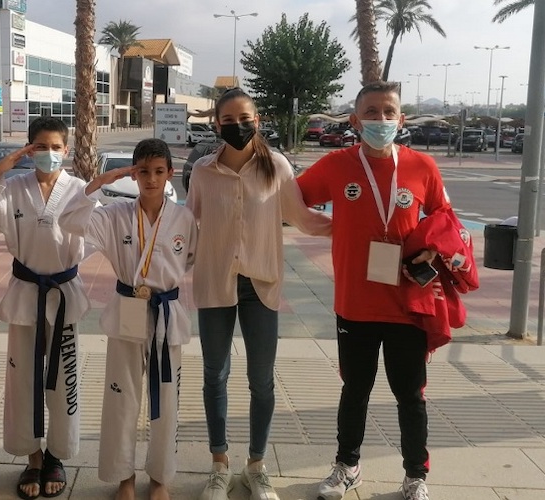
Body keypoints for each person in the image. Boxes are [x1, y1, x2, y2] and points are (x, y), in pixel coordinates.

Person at [296, 81, 452, 500]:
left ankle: (415, 475)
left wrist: (433, 250)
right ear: (354, 120)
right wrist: (328, 226)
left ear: (401, 120)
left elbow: (445, 220)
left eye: (388, 112)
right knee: (355, 390)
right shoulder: (335, 165)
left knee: (410, 395)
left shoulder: (422, 167)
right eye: (370, 112)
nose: (379, 120)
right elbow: (292, 199)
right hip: (355, 304)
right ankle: (347, 466)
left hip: (407, 304)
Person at [184, 88, 332, 500]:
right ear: (216, 124)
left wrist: (350, 226)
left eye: (244, 118)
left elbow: (302, 218)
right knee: (215, 374)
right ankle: (219, 465)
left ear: (258, 119)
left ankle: (256, 465)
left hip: (261, 284)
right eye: (227, 120)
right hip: (215, 281)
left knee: (261, 380)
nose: (237, 126)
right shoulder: (202, 171)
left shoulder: (277, 168)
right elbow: (186, 226)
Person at [0, 117, 89, 499]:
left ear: (67, 150)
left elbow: (100, 233)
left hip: (64, 293)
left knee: (65, 380)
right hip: (26, 291)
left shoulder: (79, 191)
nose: (48, 154)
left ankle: (57, 456)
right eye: (39, 147)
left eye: (56, 147)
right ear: (29, 149)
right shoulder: (10, 190)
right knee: (22, 380)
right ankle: (32, 456)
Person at [60, 138, 197, 500]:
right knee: (122, 397)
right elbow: (69, 220)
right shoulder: (114, 213)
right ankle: (124, 477)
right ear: (133, 174)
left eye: (158, 171)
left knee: (166, 398)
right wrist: (97, 186)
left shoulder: (184, 218)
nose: (151, 179)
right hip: (127, 311)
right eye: (143, 172)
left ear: (170, 173)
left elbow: (192, 259)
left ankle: (161, 477)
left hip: (166, 313)